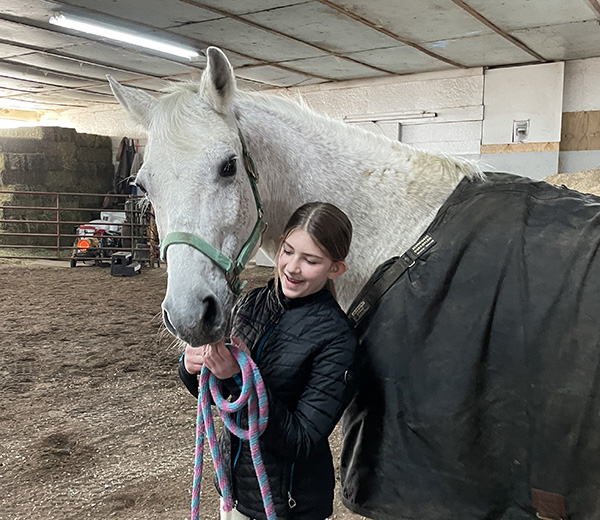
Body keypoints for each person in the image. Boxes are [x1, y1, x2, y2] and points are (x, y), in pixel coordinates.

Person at [179, 201, 358, 520]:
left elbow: (301, 439)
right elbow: (224, 399)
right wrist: (195, 367)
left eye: (311, 260)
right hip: (234, 495)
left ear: (336, 268)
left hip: (289, 506)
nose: (292, 267)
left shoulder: (338, 339)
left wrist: (241, 378)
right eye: (288, 251)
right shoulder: (251, 304)